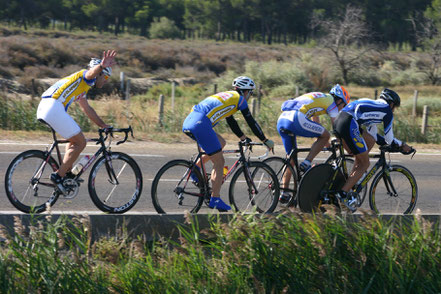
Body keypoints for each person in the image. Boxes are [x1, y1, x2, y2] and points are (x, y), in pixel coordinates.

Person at [182, 76, 274, 211]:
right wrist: (265, 140)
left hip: (190, 120)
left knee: (221, 142)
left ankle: (195, 170)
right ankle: (215, 198)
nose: (250, 96)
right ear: (246, 91)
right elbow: (251, 121)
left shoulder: (228, 97)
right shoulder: (240, 99)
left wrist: (243, 137)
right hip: (201, 124)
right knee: (219, 162)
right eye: (251, 92)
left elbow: (231, 121)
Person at [36, 50, 117, 195]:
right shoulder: (85, 76)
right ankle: (58, 176)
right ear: (99, 72)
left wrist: (103, 125)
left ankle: (66, 173)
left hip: (45, 106)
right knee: (81, 142)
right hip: (54, 107)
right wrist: (101, 66)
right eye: (105, 76)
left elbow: (87, 109)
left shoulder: (81, 87)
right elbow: (90, 73)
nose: (106, 80)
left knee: (73, 139)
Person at [333, 88, 412, 210]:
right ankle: (342, 194)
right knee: (365, 164)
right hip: (349, 123)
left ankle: (352, 182)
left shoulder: (373, 106)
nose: (394, 110)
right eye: (395, 107)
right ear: (391, 104)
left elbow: (374, 136)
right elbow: (390, 139)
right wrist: (403, 145)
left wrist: (386, 143)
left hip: (339, 120)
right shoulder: (387, 111)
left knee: (369, 141)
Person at [276, 84, 350, 203]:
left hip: (282, 119)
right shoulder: (332, 103)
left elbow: (316, 124)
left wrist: (326, 144)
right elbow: (336, 127)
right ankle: (307, 162)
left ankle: (284, 193)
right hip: (296, 117)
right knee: (325, 135)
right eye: (343, 105)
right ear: (339, 100)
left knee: (291, 159)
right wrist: (341, 140)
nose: (341, 109)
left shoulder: (319, 97)